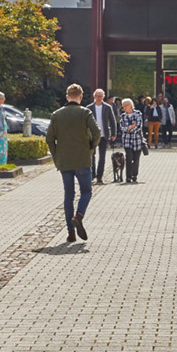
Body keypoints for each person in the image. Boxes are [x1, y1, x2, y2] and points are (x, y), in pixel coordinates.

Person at [46, 84, 100, 243]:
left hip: (64, 161)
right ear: (81, 97)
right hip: (82, 159)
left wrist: (56, 156)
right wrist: (91, 147)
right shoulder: (85, 113)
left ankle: (70, 232)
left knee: (68, 195)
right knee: (86, 191)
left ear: (67, 96)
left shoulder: (57, 115)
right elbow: (96, 132)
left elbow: (49, 138)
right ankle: (79, 215)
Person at [89, 89, 118, 185]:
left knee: (102, 156)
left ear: (103, 97)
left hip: (104, 135)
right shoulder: (89, 108)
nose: (99, 97)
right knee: (91, 156)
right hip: (92, 135)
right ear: (94, 96)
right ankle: (92, 175)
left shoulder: (107, 107)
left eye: (101, 96)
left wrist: (113, 134)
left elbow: (113, 121)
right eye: (97, 95)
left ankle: (100, 176)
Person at [118, 98, 146, 183]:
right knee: (129, 159)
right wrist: (130, 127)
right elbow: (122, 127)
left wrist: (130, 128)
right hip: (127, 141)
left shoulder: (138, 114)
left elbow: (139, 126)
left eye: (126, 105)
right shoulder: (123, 116)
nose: (124, 107)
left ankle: (135, 175)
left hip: (137, 140)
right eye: (123, 106)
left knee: (136, 159)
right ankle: (128, 176)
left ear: (130, 105)